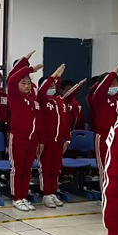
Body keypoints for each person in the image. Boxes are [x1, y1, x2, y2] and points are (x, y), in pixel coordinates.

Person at [7, 61, 44, 211]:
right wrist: (30, 68)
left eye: (29, 83)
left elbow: (39, 122)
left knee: (27, 169)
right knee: (17, 169)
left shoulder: (33, 102)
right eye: (23, 83)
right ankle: (16, 198)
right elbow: (12, 80)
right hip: (18, 138)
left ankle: (24, 196)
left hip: (32, 140)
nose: (27, 86)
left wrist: (40, 141)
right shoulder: (15, 97)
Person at [92, 65, 118, 190]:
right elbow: (101, 90)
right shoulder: (99, 99)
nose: (115, 85)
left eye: (115, 83)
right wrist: (112, 74)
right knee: (105, 167)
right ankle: (106, 195)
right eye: (111, 83)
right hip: (104, 136)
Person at [37, 66, 70, 208]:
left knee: (55, 168)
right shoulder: (42, 100)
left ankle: (53, 192)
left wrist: (67, 139)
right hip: (46, 141)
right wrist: (54, 75)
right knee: (45, 168)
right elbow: (42, 91)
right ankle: (46, 194)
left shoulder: (60, 102)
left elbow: (65, 122)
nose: (51, 88)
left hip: (58, 141)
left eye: (53, 86)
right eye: (48, 86)